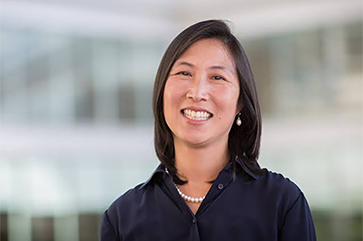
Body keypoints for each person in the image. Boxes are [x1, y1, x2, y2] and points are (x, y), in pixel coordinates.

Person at [100, 19, 316, 241]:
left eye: (217, 77)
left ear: (240, 102)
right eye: (184, 73)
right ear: (162, 90)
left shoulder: (282, 202)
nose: (197, 92)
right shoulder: (121, 218)